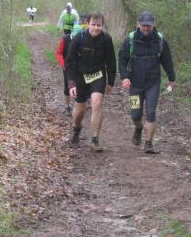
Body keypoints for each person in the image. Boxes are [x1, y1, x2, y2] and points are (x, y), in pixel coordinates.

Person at [118, 11, 176, 154]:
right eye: (143, 25)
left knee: (151, 112)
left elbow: (167, 60)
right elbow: (122, 60)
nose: (146, 28)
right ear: (138, 24)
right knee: (135, 115)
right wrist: (125, 77)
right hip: (134, 84)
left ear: (153, 25)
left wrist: (171, 78)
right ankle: (138, 128)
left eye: (148, 25)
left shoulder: (160, 40)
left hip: (153, 83)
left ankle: (149, 143)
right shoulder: (130, 39)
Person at [65, 12, 116, 151]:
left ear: (102, 26)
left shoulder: (106, 39)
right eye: (93, 24)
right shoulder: (79, 38)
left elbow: (111, 61)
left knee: (97, 104)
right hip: (80, 76)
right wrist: (71, 83)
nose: (96, 28)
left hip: (98, 75)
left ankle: (95, 139)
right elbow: (69, 62)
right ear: (88, 24)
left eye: (99, 25)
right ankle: (76, 128)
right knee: (80, 109)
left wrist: (111, 82)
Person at [54, 14, 88, 115]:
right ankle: (67, 106)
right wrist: (63, 64)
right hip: (68, 66)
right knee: (68, 86)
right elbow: (59, 53)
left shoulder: (84, 39)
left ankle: (82, 103)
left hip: (81, 66)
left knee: (83, 84)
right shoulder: (66, 39)